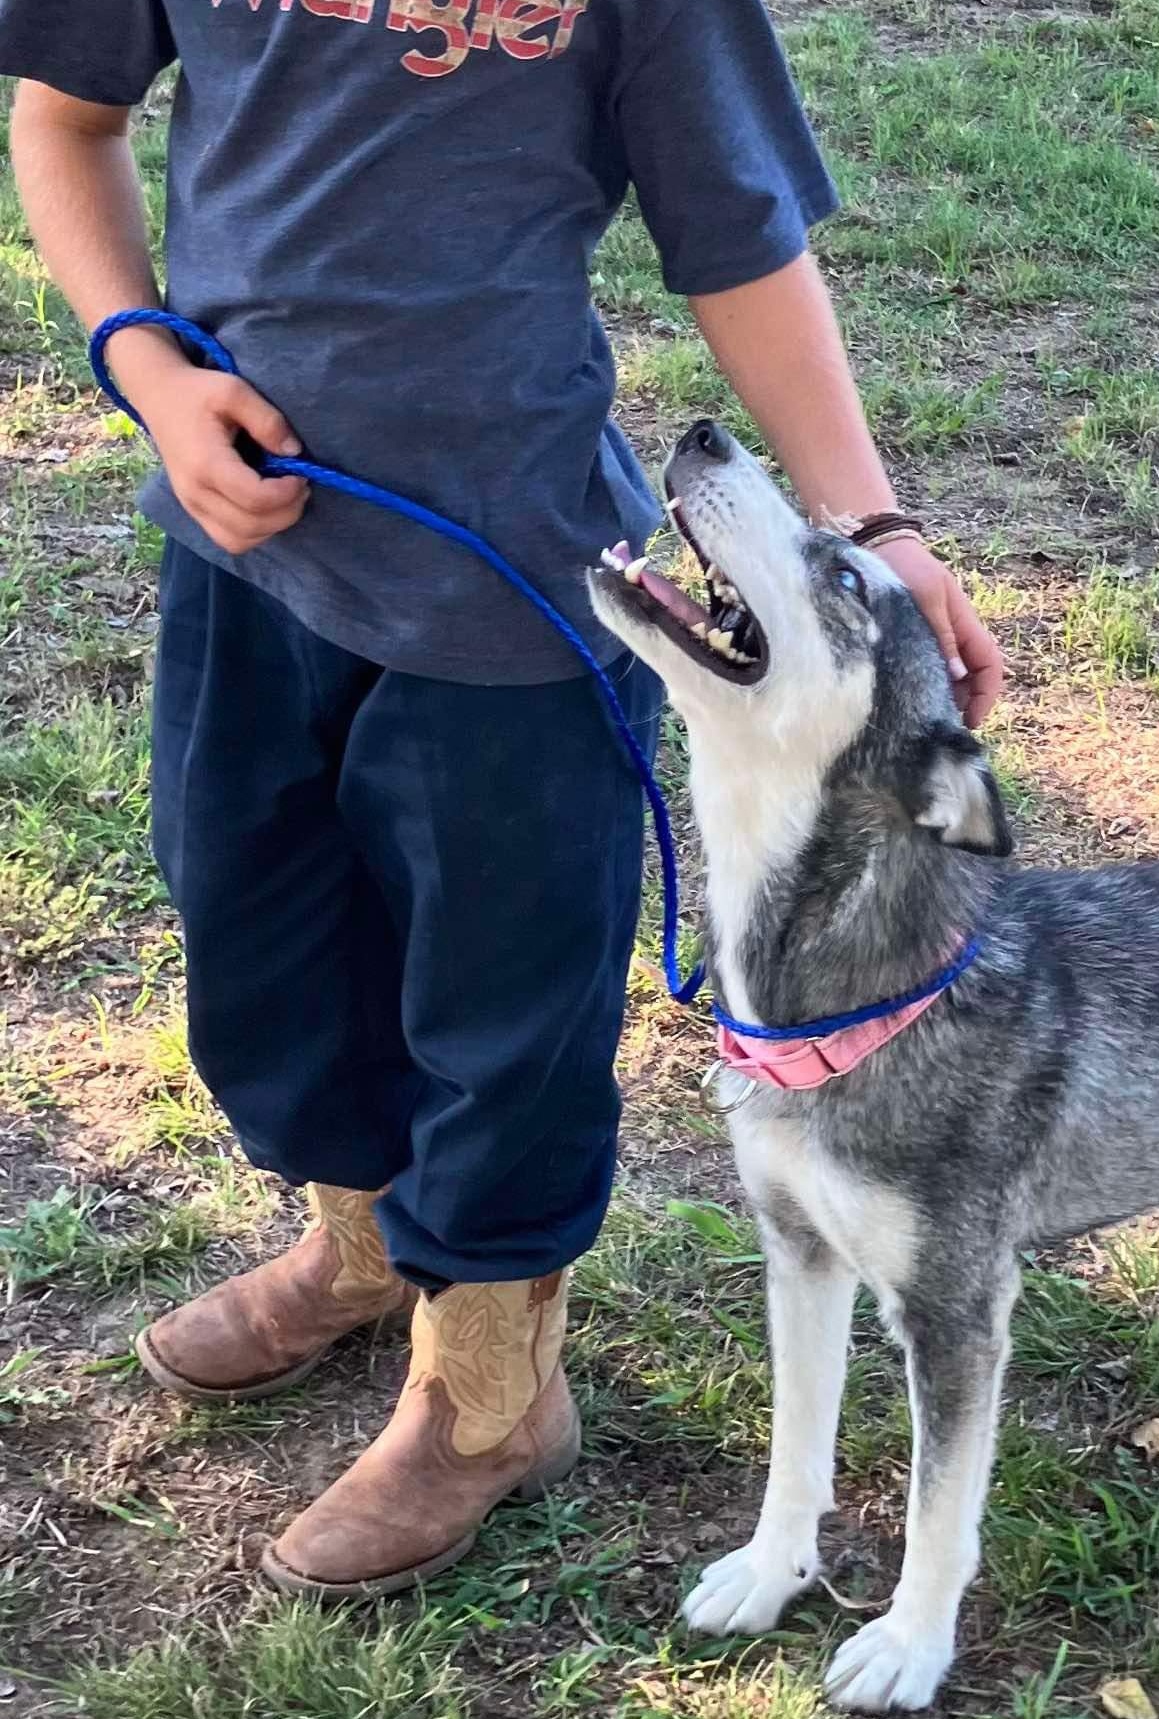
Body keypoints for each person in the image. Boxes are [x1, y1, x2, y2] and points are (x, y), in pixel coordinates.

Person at [1, 0, 1003, 1597]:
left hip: (515, 596)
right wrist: (144, 363)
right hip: (251, 566)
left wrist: (870, 519)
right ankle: (361, 1249)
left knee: (501, 1006)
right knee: (257, 937)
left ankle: (489, 1392)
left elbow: (735, 238)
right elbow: (65, 119)